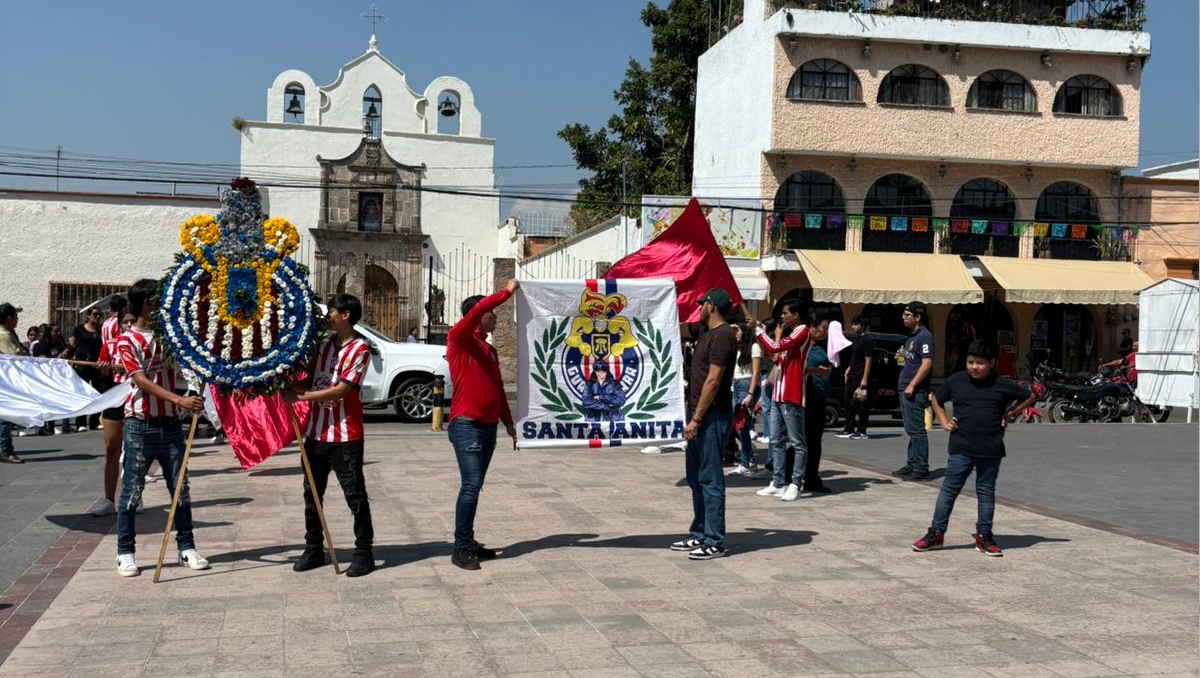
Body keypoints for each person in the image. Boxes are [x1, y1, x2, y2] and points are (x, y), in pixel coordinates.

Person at [113, 279, 209, 577]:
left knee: (180, 489)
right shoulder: (127, 340)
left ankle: (187, 547)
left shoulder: (170, 337)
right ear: (147, 304)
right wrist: (179, 399)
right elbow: (140, 380)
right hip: (139, 425)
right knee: (131, 490)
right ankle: (125, 551)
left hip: (170, 426)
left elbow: (187, 364)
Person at [912, 340, 1036, 557]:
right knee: (949, 491)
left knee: (986, 493)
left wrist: (1009, 414)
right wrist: (943, 421)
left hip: (991, 448)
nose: (974, 367)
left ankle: (984, 536)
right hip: (961, 446)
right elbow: (936, 400)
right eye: (970, 362)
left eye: (980, 363)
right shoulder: (957, 380)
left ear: (991, 363)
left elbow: (1030, 396)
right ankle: (936, 534)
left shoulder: (1001, 384)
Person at [285, 294, 376, 577]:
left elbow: (341, 389)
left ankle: (364, 552)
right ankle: (314, 548)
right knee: (312, 493)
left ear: (346, 315)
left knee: (355, 496)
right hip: (315, 433)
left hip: (345, 436)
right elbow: (307, 377)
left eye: (333, 311)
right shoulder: (323, 347)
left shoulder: (360, 348)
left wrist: (303, 397)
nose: (328, 315)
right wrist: (282, 383)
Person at [446, 279, 519, 571]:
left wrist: (509, 423)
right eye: (492, 313)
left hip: (488, 427)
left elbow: (497, 388)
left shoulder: (489, 351)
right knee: (471, 484)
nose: (496, 316)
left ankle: (468, 540)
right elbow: (481, 307)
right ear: (477, 315)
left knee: (476, 486)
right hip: (467, 424)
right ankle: (461, 546)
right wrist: (507, 291)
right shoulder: (459, 338)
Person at [669, 288, 737, 560]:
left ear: (712, 306)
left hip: (710, 416)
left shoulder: (723, 337)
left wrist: (696, 418)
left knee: (710, 479)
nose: (698, 307)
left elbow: (713, 380)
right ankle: (699, 532)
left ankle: (714, 540)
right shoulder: (705, 331)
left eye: (702, 304)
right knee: (696, 478)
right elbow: (676, 327)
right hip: (697, 413)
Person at [752, 300, 812, 502]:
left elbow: (777, 347)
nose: (782, 317)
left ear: (796, 315)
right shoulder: (791, 334)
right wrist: (769, 352)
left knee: (797, 441)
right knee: (776, 439)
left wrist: (760, 332)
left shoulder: (802, 332)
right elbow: (779, 357)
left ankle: (796, 483)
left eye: (786, 313)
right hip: (778, 392)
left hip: (791, 392)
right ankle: (778, 482)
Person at [91, 297, 131, 516]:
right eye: (125, 322)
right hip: (114, 398)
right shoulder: (109, 345)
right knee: (111, 449)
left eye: (131, 322)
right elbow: (105, 373)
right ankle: (108, 499)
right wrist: (104, 367)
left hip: (135, 398)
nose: (128, 326)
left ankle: (135, 496)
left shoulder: (141, 344)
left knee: (134, 451)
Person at [893, 302, 934, 481]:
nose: (904, 318)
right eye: (904, 315)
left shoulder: (924, 336)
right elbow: (911, 361)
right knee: (911, 428)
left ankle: (921, 467)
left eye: (907, 315)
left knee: (917, 429)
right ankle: (912, 463)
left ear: (918, 318)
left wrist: (913, 385)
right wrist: (900, 358)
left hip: (915, 391)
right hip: (904, 387)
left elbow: (926, 364)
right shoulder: (910, 337)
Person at [802, 313, 833, 494]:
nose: (826, 332)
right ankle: (788, 471)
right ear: (812, 327)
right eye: (823, 327)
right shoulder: (803, 345)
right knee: (804, 439)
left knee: (814, 440)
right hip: (805, 396)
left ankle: (811, 477)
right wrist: (815, 372)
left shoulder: (825, 346)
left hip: (820, 396)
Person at [727, 323, 762, 476]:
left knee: (740, 424)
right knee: (738, 425)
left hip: (746, 384)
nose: (735, 333)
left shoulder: (753, 347)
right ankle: (748, 458)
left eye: (737, 329)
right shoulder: (736, 346)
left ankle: (747, 460)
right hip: (735, 384)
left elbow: (755, 373)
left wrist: (749, 394)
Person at [836, 315, 874, 440]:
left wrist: (864, 379)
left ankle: (862, 431)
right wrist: (848, 369)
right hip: (852, 375)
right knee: (848, 402)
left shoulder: (867, 340)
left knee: (861, 404)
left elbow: (868, 360)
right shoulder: (857, 339)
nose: (853, 327)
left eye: (856, 324)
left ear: (863, 326)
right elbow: (855, 358)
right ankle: (849, 428)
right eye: (852, 324)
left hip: (860, 376)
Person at [0, 302, 27, 464]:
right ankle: (5, 451)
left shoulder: (8, 333)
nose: (17, 320)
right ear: (9, 318)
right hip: (5, 381)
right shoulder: (3, 335)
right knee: (5, 417)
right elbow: (14, 357)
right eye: (16, 317)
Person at [72, 308, 105, 431]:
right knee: (82, 393)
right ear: (88, 315)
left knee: (97, 393)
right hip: (82, 365)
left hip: (96, 365)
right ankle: (80, 422)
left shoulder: (101, 329)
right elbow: (73, 344)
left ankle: (94, 421)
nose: (97, 317)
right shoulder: (79, 329)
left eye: (99, 315)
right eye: (95, 314)